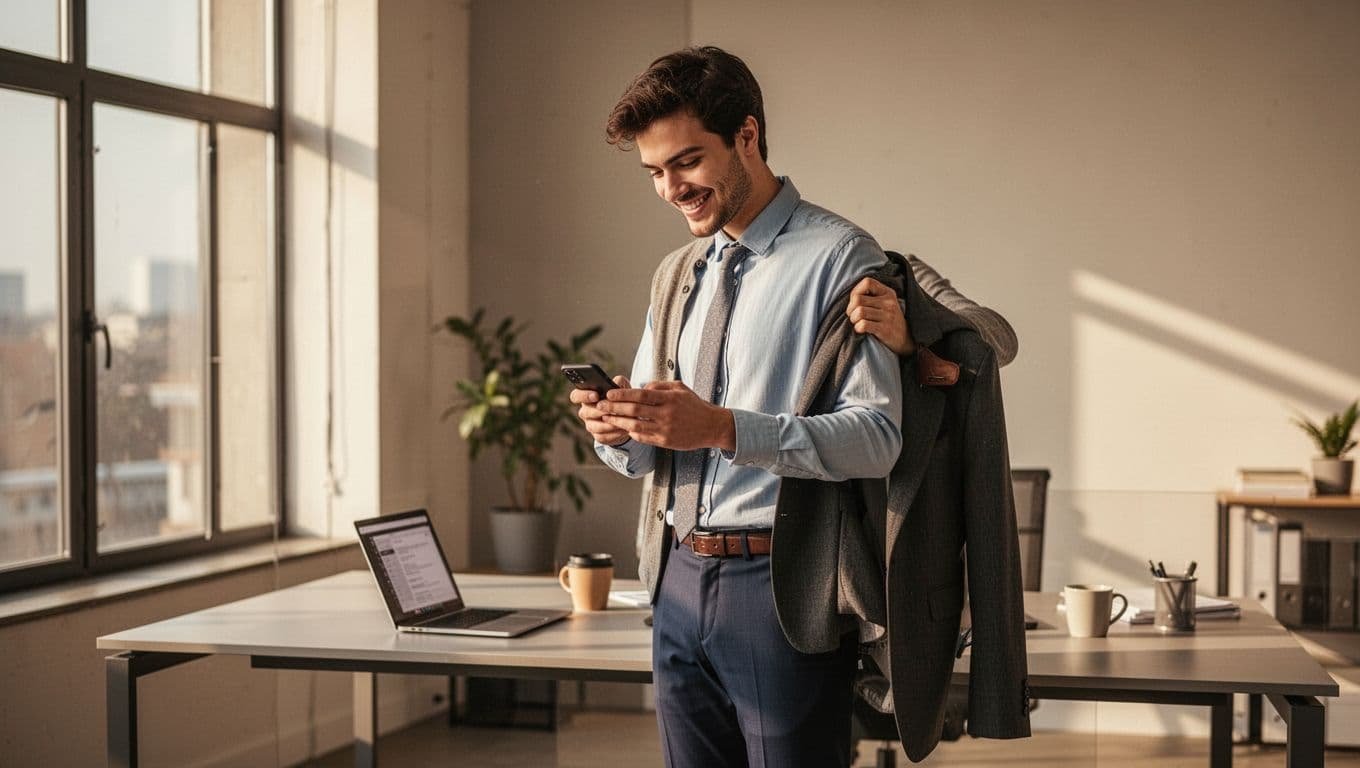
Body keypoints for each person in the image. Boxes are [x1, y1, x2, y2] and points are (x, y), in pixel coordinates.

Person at [571, 46, 1016, 768]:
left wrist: (719, 426)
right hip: (677, 578)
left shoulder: (842, 259)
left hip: (782, 585)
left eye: (686, 162)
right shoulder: (676, 272)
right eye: (654, 173)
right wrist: (617, 428)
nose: (669, 189)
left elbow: (876, 439)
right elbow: (645, 448)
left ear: (746, 136)